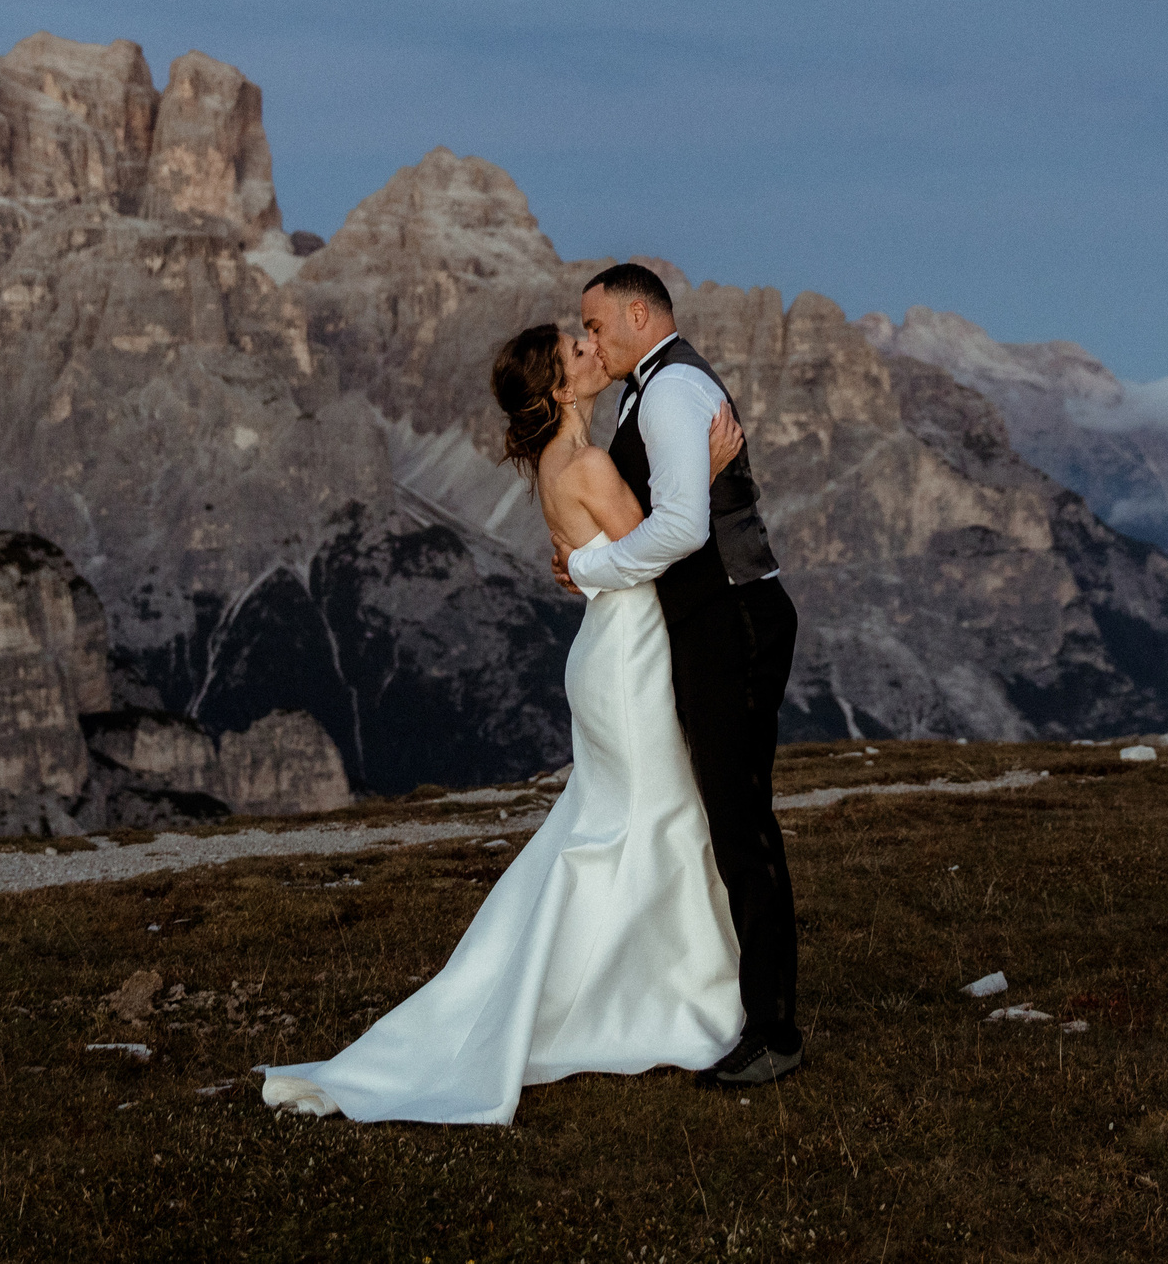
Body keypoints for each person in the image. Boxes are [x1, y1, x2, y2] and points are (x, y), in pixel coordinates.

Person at [259, 320, 747, 1124]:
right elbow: (664, 548)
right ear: (558, 388)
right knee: (657, 818)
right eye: (576, 349)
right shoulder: (584, 461)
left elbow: (613, 551)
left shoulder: (566, 460)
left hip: (607, 653)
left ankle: (637, 987)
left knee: (621, 824)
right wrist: (709, 468)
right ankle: (667, 1001)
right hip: (628, 660)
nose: (592, 347)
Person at [564, 262, 802, 1088]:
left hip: (731, 616)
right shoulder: (653, 386)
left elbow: (677, 528)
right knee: (728, 813)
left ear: (638, 314)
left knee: (740, 818)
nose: (589, 339)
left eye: (595, 325)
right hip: (715, 618)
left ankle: (773, 1030)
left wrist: (595, 569)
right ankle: (743, 1006)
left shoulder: (668, 392)